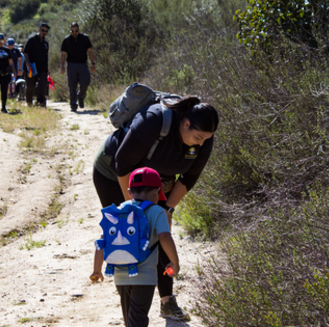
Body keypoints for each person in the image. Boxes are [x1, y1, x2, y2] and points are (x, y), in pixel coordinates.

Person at [92, 96, 219, 321]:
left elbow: (189, 178)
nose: (200, 143)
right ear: (186, 123)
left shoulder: (203, 137)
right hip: (114, 174)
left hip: (154, 184)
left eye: (205, 139)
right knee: (128, 233)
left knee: (159, 234)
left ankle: (167, 302)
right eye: (198, 137)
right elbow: (122, 163)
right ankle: (131, 306)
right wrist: (132, 208)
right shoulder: (154, 121)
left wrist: (167, 210)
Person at [91, 167, 180, 327]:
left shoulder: (118, 211)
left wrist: (97, 270)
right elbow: (165, 237)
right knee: (138, 318)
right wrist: (174, 262)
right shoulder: (157, 211)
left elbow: (102, 242)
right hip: (144, 277)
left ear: (130, 192)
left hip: (120, 276)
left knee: (130, 319)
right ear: (157, 192)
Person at [60, 22, 96, 112]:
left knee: (85, 83)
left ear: (79, 29)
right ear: (70, 30)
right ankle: (73, 105)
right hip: (71, 65)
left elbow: (90, 51)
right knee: (72, 86)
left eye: (76, 30)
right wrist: (62, 66)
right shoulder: (67, 40)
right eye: (72, 31)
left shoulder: (85, 38)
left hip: (83, 65)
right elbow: (63, 54)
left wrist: (93, 63)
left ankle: (80, 97)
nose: (74, 32)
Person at [24, 22, 50, 108]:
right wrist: (27, 62)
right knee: (30, 86)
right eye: (42, 30)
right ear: (39, 30)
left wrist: (47, 68)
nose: (44, 32)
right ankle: (29, 102)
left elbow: (45, 56)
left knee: (43, 84)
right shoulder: (31, 40)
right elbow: (26, 52)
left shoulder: (45, 43)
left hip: (42, 68)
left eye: (46, 31)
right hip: (32, 67)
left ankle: (41, 102)